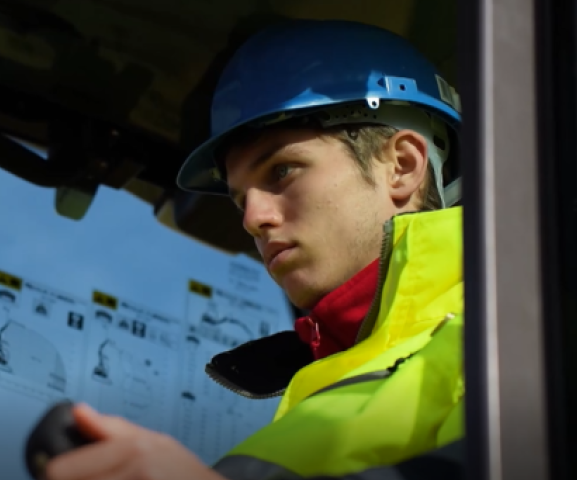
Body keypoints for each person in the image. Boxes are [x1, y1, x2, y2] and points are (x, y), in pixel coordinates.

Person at [42, 18, 466, 480]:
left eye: (282, 171)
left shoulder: (505, 344)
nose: (251, 218)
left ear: (401, 166)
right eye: (240, 198)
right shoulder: (328, 379)